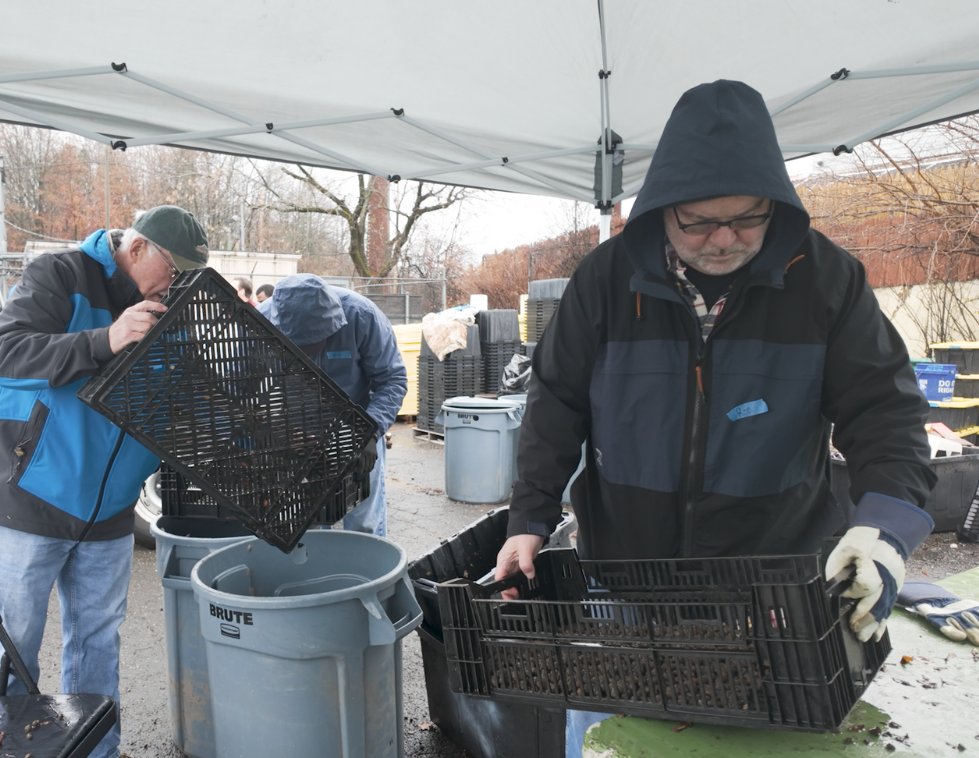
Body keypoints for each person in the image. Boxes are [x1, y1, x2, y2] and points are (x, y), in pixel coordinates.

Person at [494, 80, 942, 754]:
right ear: (663, 210)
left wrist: (884, 529)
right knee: (619, 738)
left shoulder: (827, 281)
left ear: (776, 205)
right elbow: (556, 403)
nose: (726, 239)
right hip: (625, 579)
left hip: (777, 588)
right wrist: (528, 519)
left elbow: (885, 412)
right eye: (699, 221)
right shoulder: (606, 280)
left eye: (748, 217)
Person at [0, 205, 209, 758]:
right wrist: (105, 339)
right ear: (138, 248)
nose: (176, 283)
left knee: (97, 642)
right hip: (26, 497)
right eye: (173, 269)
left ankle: (97, 749)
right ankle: (8, 751)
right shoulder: (61, 274)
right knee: (13, 646)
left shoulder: (173, 311)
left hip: (109, 510)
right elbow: (2, 353)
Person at [258, 273, 407, 536]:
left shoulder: (362, 316)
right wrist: (269, 428)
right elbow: (241, 384)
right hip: (297, 434)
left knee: (364, 523)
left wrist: (368, 433)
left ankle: (367, 572)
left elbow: (391, 379)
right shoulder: (259, 321)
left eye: (313, 345)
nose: (307, 355)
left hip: (358, 427)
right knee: (308, 524)